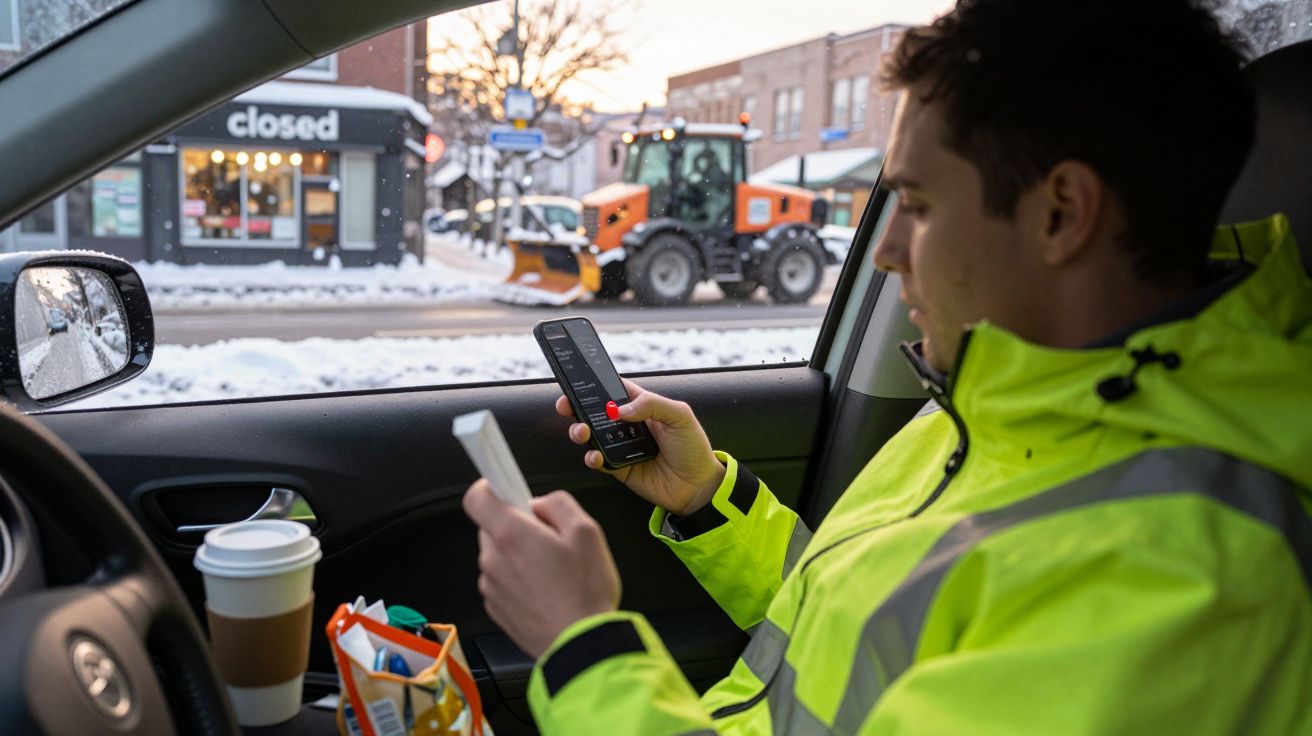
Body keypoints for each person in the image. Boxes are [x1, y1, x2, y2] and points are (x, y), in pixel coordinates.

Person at [464, 0, 1312, 732]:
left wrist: (586, 649)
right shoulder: (993, 399)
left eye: (917, 204)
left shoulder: (1183, 579)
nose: (887, 252)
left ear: (1061, 212)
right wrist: (705, 503)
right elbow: (858, 624)